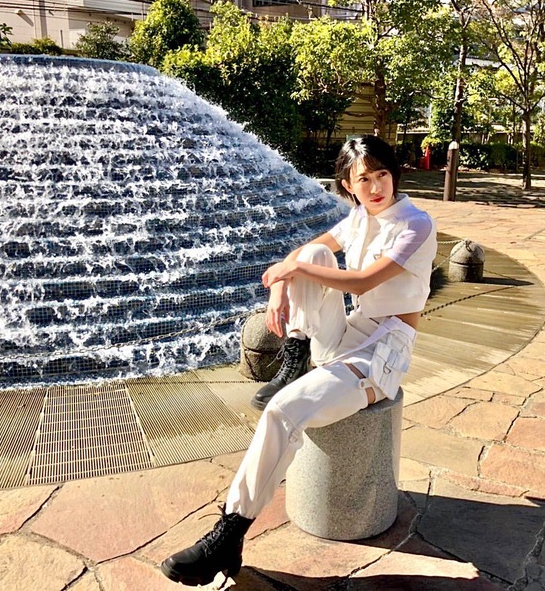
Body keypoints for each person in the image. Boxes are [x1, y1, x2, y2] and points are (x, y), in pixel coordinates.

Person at [161, 135, 437, 587]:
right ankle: (296, 354)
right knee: (312, 254)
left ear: (394, 174)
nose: (375, 187)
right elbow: (300, 257)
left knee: (282, 410)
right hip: (347, 334)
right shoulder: (359, 217)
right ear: (347, 186)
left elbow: (362, 283)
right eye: (363, 179)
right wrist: (279, 289)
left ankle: (230, 532)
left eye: (382, 174)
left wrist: (293, 272)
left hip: (383, 350)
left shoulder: (416, 224)